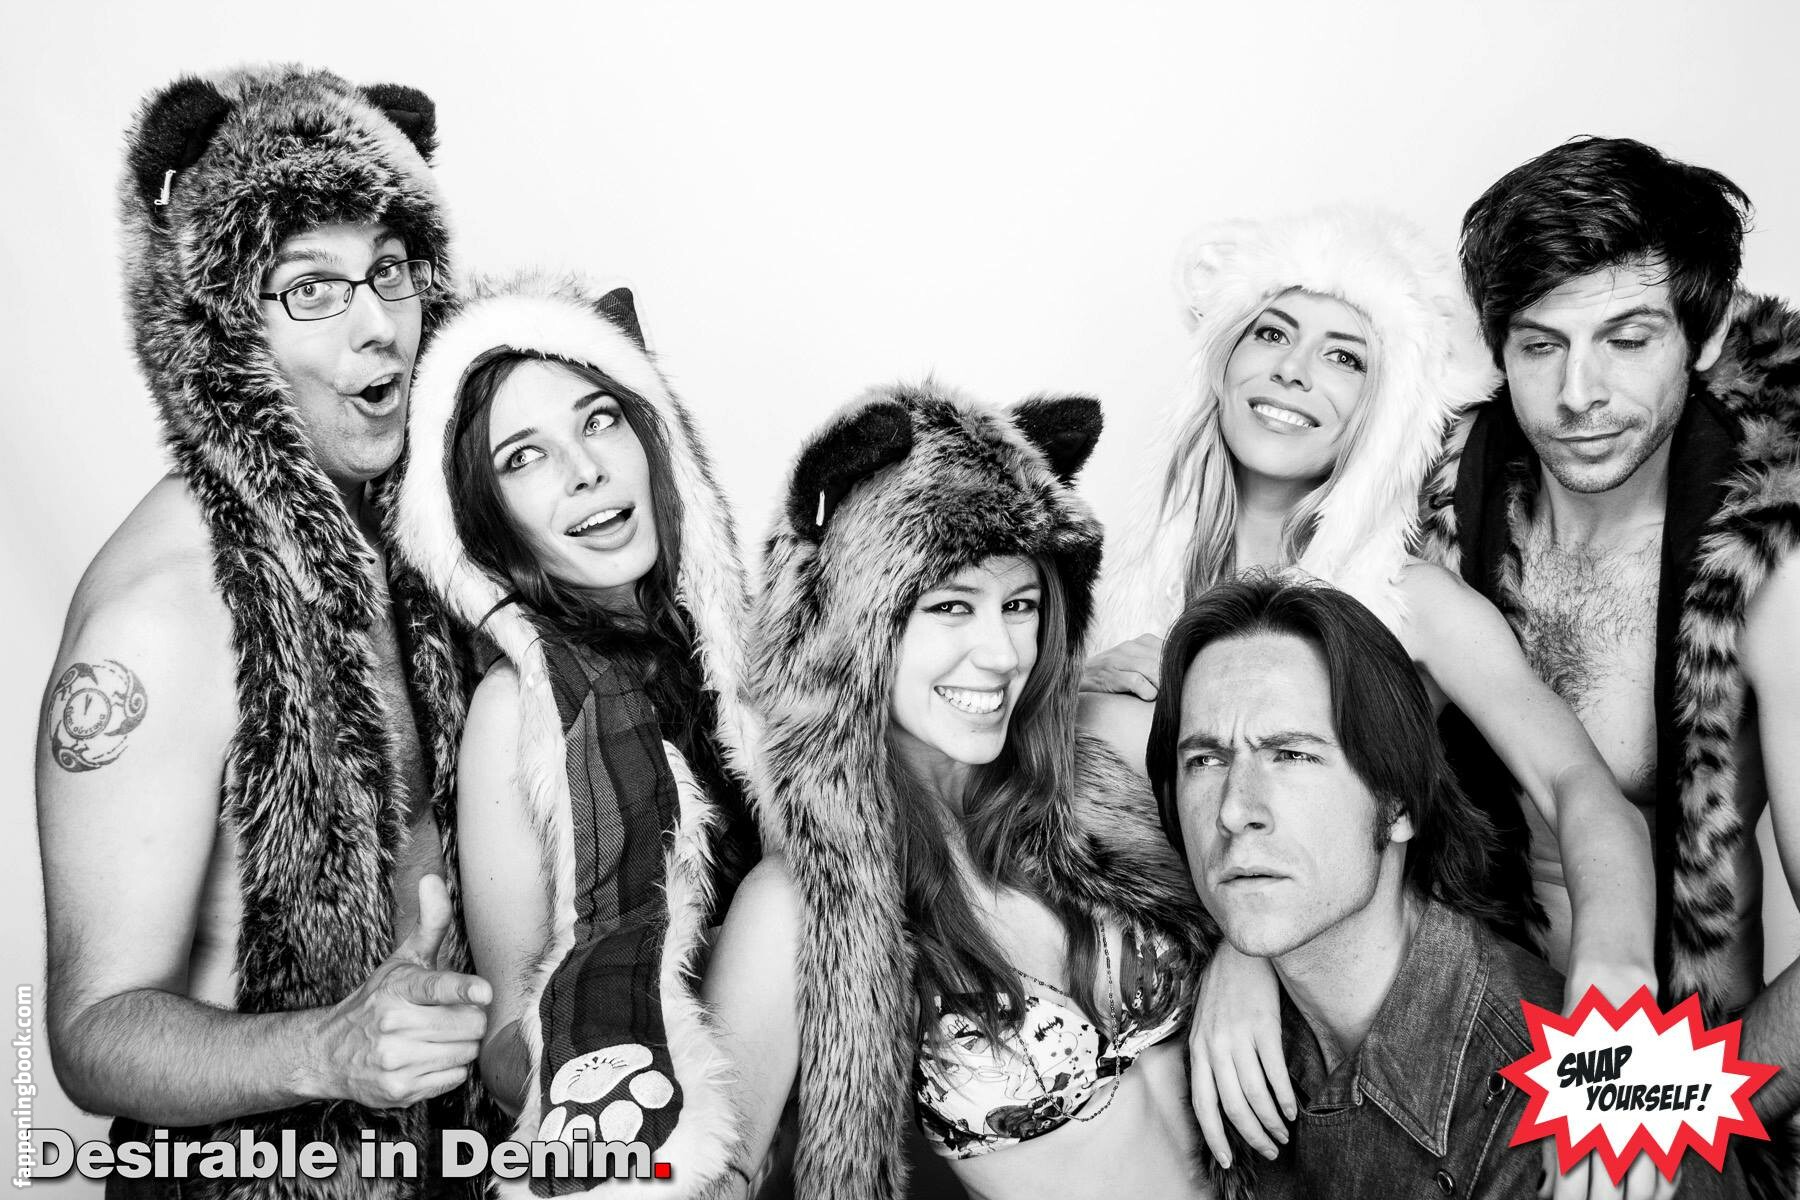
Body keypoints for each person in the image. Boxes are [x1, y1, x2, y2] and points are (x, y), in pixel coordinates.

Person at [1085, 208, 1657, 1179]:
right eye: (1271, 332)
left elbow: (1580, 789)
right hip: (1128, 1058)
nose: (1294, 371)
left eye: (1344, 355)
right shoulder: (1115, 591)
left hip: (1354, 1062)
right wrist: (1072, 699)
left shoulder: (1409, 599)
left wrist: (1618, 978)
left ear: (1387, 403)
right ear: (1221, 359)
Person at [35, 65, 492, 1198]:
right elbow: (92, 1034)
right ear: (222, 330)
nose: (378, 329)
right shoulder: (157, 621)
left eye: (390, 270)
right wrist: (328, 1050)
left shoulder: (421, 537)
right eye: (312, 288)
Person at [706, 382, 1215, 1200]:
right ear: (852, 635)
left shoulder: (1107, 757)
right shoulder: (804, 904)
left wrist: (1248, 966)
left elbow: (1297, 865)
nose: (1003, 653)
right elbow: (711, 1170)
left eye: (1019, 604)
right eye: (951, 606)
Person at [1421, 135, 1800, 1193]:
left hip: (1679, 1085)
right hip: (1450, 1057)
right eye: (1540, 346)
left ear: (1704, 336)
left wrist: (1668, 1118)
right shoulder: (1432, 506)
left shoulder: (1768, 566)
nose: (1577, 393)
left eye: (1626, 340)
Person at [391, 273, 762, 1198]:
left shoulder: (748, 651)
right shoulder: (516, 712)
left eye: (599, 421)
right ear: (485, 522)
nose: (585, 470)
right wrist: (630, 1044)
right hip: (658, 1145)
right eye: (525, 458)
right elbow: (506, 1054)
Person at [1148, 574, 1561, 1198]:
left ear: (1399, 803)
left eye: (1291, 755)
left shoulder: (1579, 1096)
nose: (1233, 810)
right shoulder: (1181, 1023)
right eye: (1205, 760)